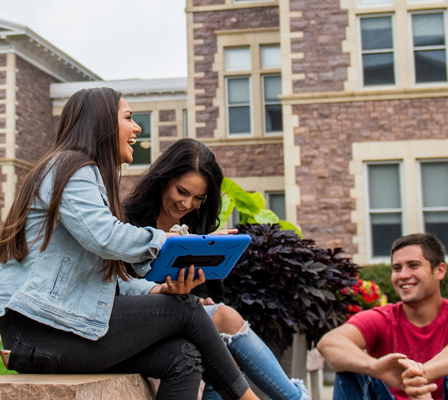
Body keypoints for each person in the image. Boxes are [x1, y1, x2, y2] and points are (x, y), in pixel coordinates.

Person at [0, 87, 259, 400]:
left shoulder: (86, 178)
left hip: (57, 328)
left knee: (181, 357)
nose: (137, 128)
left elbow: (104, 280)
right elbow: (105, 237)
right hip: (40, 331)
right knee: (186, 309)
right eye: (128, 118)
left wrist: (156, 290)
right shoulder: (71, 169)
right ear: (103, 124)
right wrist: (171, 239)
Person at [121, 139, 310, 400]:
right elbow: (118, 285)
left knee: (216, 342)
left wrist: (200, 298)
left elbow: (211, 292)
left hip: (184, 320)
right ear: (163, 179)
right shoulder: (126, 222)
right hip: (137, 320)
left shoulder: (194, 225)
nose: (187, 204)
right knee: (225, 319)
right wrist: (170, 293)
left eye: (198, 198)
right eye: (182, 192)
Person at [317, 234, 448, 400]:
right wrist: (374, 367)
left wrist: (421, 374)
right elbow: (330, 343)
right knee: (349, 367)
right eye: (397, 268)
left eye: (413, 265)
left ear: (440, 271)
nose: (403, 275)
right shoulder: (383, 318)